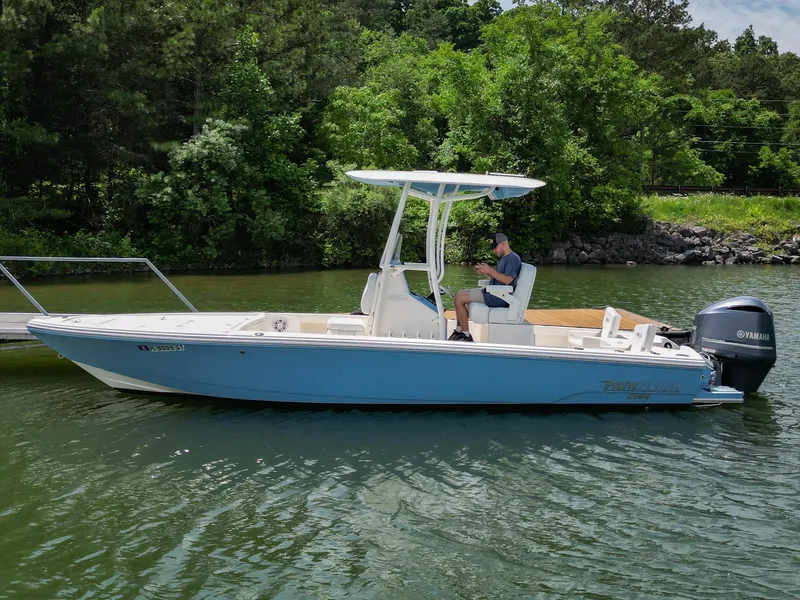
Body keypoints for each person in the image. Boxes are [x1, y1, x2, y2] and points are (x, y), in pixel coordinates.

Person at [449, 232, 522, 342]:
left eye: (495, 248)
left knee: (459, 298)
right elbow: (498, 278)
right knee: (458, 293)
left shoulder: (512, 259)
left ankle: (465, 334)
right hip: (492, 293)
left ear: (503, 244)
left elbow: (508, 280)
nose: (494, 251)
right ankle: (459, 330)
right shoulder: (503, 258)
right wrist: (485, 272)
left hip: (498, 297)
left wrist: (490, 270)